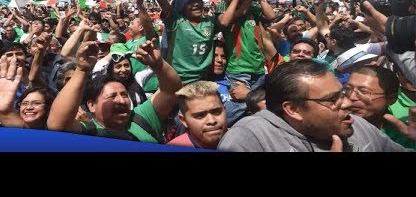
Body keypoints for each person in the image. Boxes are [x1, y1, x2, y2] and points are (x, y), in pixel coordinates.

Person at [218, 59, 414, 152]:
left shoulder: (357, 126)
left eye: (342, 94)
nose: (347, 103)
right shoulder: (251, 140)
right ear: (293, 109)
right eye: (332, 100)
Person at [47, 38, 182, 143]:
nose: (121, 100)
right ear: (91, 105)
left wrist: (158, 64)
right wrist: (81, 70)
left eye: (124, 95)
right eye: (112, 96)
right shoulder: (88, 130)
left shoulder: (142, 117)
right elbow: (56, 124)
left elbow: (171, 90)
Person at [166, 81, 227, 149]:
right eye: (199, 116)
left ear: (225, 110)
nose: (211, 121)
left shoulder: (239, 139)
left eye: (216, 112)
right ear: (184, 121)